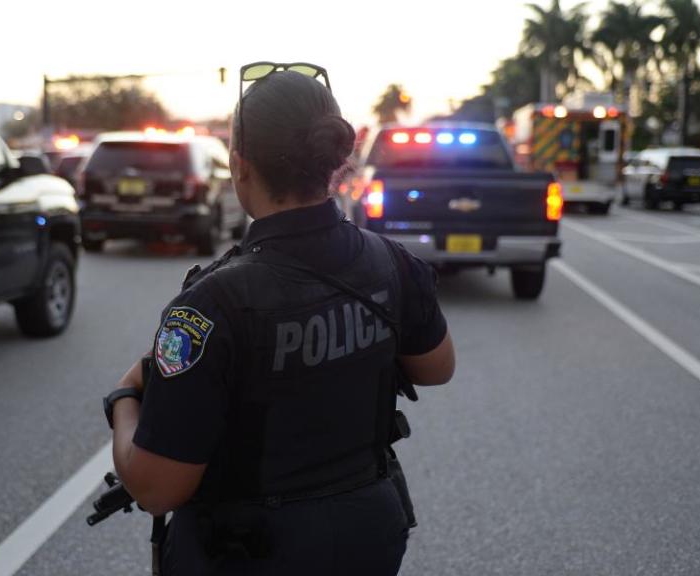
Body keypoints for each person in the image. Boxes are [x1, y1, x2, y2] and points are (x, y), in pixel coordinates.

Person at [106, 62, 455, 576]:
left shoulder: (209, 306)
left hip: (247, 552)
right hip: (367, 538)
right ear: (333, 161)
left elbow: (157, 489)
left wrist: (122, 401)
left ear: (241, 166)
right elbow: (436, 367)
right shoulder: (390, 260)